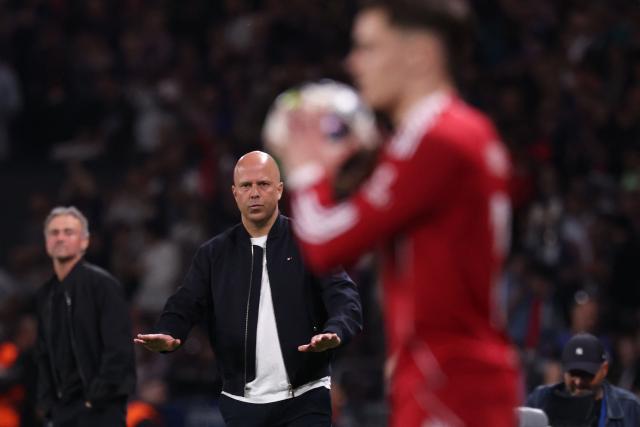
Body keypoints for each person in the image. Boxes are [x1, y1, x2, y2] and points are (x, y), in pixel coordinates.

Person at [272, 0, 521, 425]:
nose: (353, 63)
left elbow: (325, 244)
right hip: (446, 377)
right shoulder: (456, 132)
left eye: (369, 47)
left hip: (449, 385)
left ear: (419, 54)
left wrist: (305, 169)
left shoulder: (436, 137)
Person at [135, 151, 362, 427]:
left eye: (263, 184)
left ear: (279, 190)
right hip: (242, 405)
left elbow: (344, 297)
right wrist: (169, 332)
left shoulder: (308, 243)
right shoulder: (214, 254)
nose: (254, 193)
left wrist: (335, 330)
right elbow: (185, 302)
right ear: (235, 193)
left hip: (306, 397)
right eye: (246, 186)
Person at [35, 206, 136, 426]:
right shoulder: (45, 294)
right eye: (54, 232)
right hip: (61, 411)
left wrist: (96, 397)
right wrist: (47, 403)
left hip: (98, 410)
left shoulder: (103, 286)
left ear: (84, 242)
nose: (60, 237)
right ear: (46, 242)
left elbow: (119, 349)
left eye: (68, 232)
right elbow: (43, 354)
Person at [527, 333, 640, 426]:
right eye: (573, 374)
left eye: (586, 375)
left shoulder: (629, 408)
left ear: (604, 370)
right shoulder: (540, 400)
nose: (578, 382)